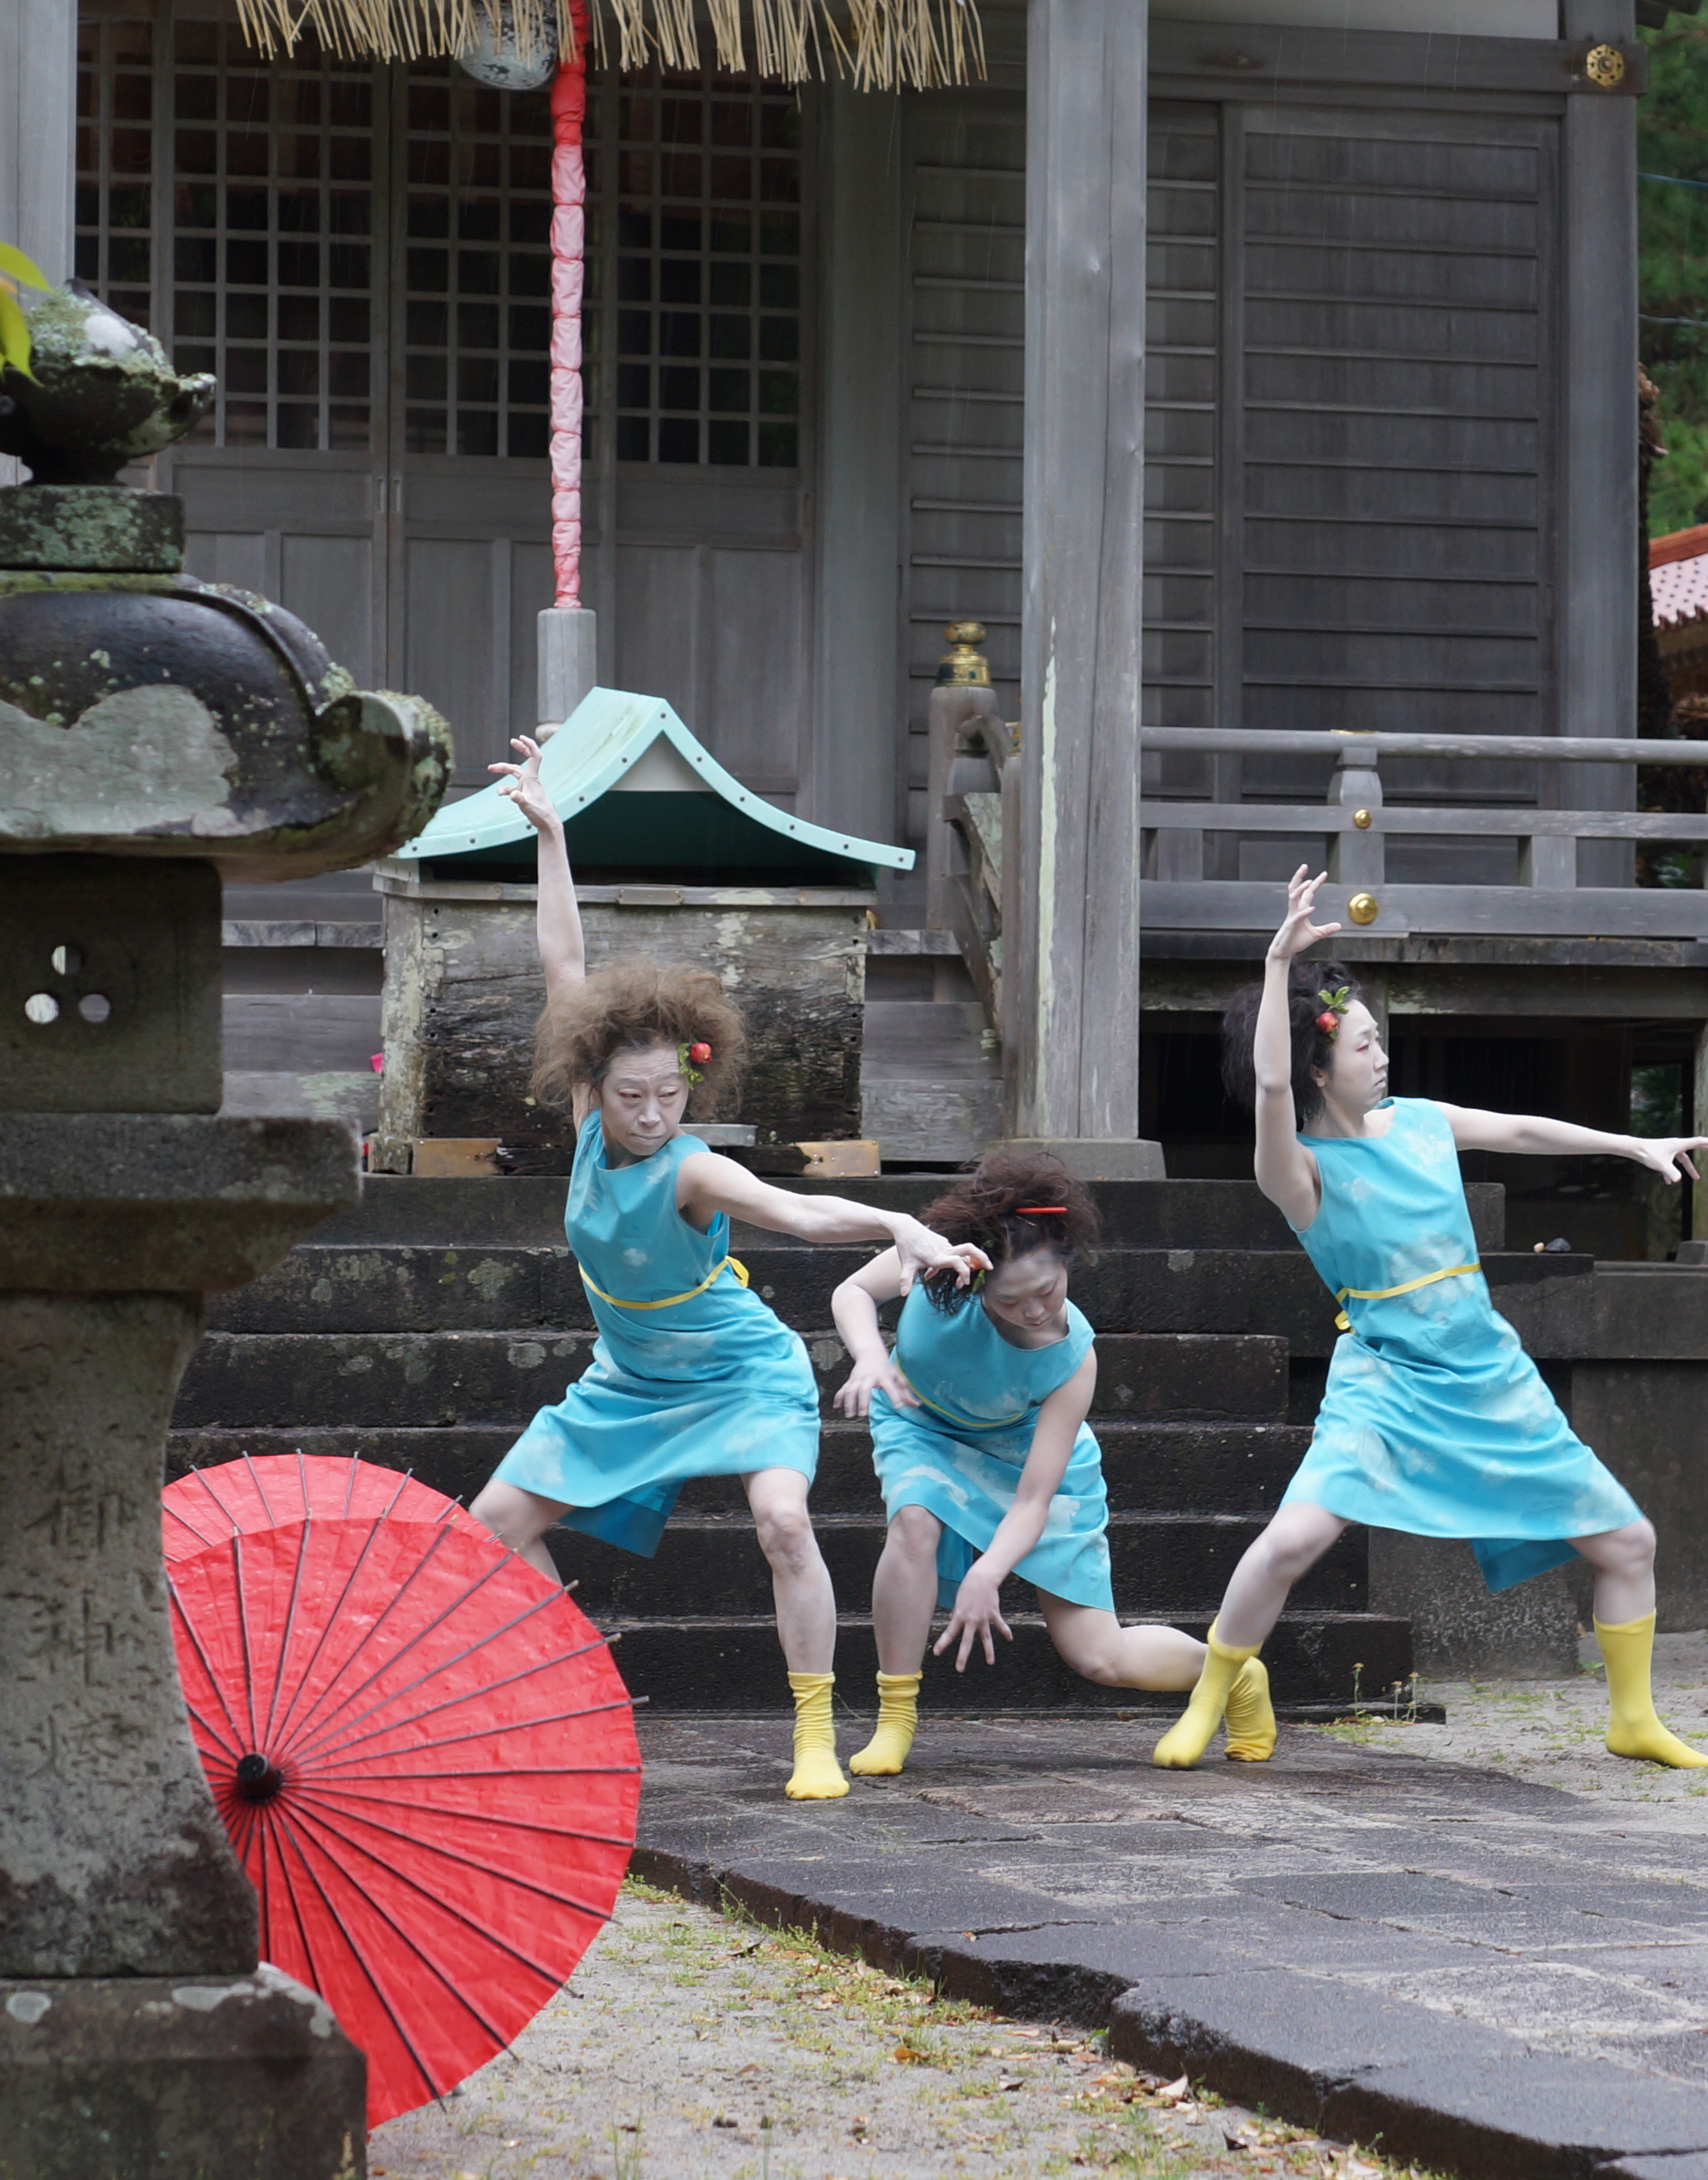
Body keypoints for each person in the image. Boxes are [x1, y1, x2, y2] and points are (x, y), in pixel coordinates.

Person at [465, 734, 976, 1803]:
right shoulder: (592, 1121)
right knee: (488, 1536)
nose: (652, 1116)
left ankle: (812, 1735)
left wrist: (901, 1225)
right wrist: (552, 835)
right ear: (592, 1088)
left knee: (784, 1521)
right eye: (631, 1097)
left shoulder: (690, 1169)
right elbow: (565, 969)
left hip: (741, 1370)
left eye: (669, 1097)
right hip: (629, 1379)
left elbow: (797, 1210)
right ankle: (576, 1689)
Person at [1150, 867, 1708, 1773]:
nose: (1382, 1058)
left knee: (1628, 1539)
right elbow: (1265, 1089)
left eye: (1381, 1041)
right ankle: (1210, 1699)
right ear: (1319, 1065)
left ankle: (1634, 1718)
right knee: (1292, 1539)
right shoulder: (1296, 1169)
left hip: (1487, 1371)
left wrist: (1632, 1144)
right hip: (1384, 1376)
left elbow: (1522, 1131)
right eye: (1366, 1046)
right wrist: (1273, 965)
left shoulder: (1416, 1123)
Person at [825, 1152, 1210, 1774]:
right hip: (921, 1422)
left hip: (1026, 1457)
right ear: (976, 1279)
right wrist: (869, 1358)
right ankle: (895, 1719)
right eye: (1011, 1300)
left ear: (1066, 1264)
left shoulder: (1073, 1360)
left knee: (1099, 1657)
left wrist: (990, 1573)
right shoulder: (936, 1258)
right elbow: (852, 1292)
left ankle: (1232, 1674)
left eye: (1047, 1291)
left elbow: (1034, 1500)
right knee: (915, 1522)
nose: (1034, 1310)